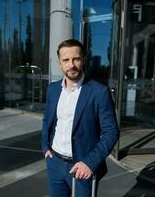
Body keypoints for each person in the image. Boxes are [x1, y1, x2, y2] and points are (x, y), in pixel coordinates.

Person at [41, 39, 119, 197]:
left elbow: (111, 132)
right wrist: (45, 147)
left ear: (84, 59)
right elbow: (47, 119)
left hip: (82, 166)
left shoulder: (99, 92)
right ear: (59, 63)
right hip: (54, 162)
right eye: (66, 60)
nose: (71, 65)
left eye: (76, 59)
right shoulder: (53, 89)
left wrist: (90, 163)